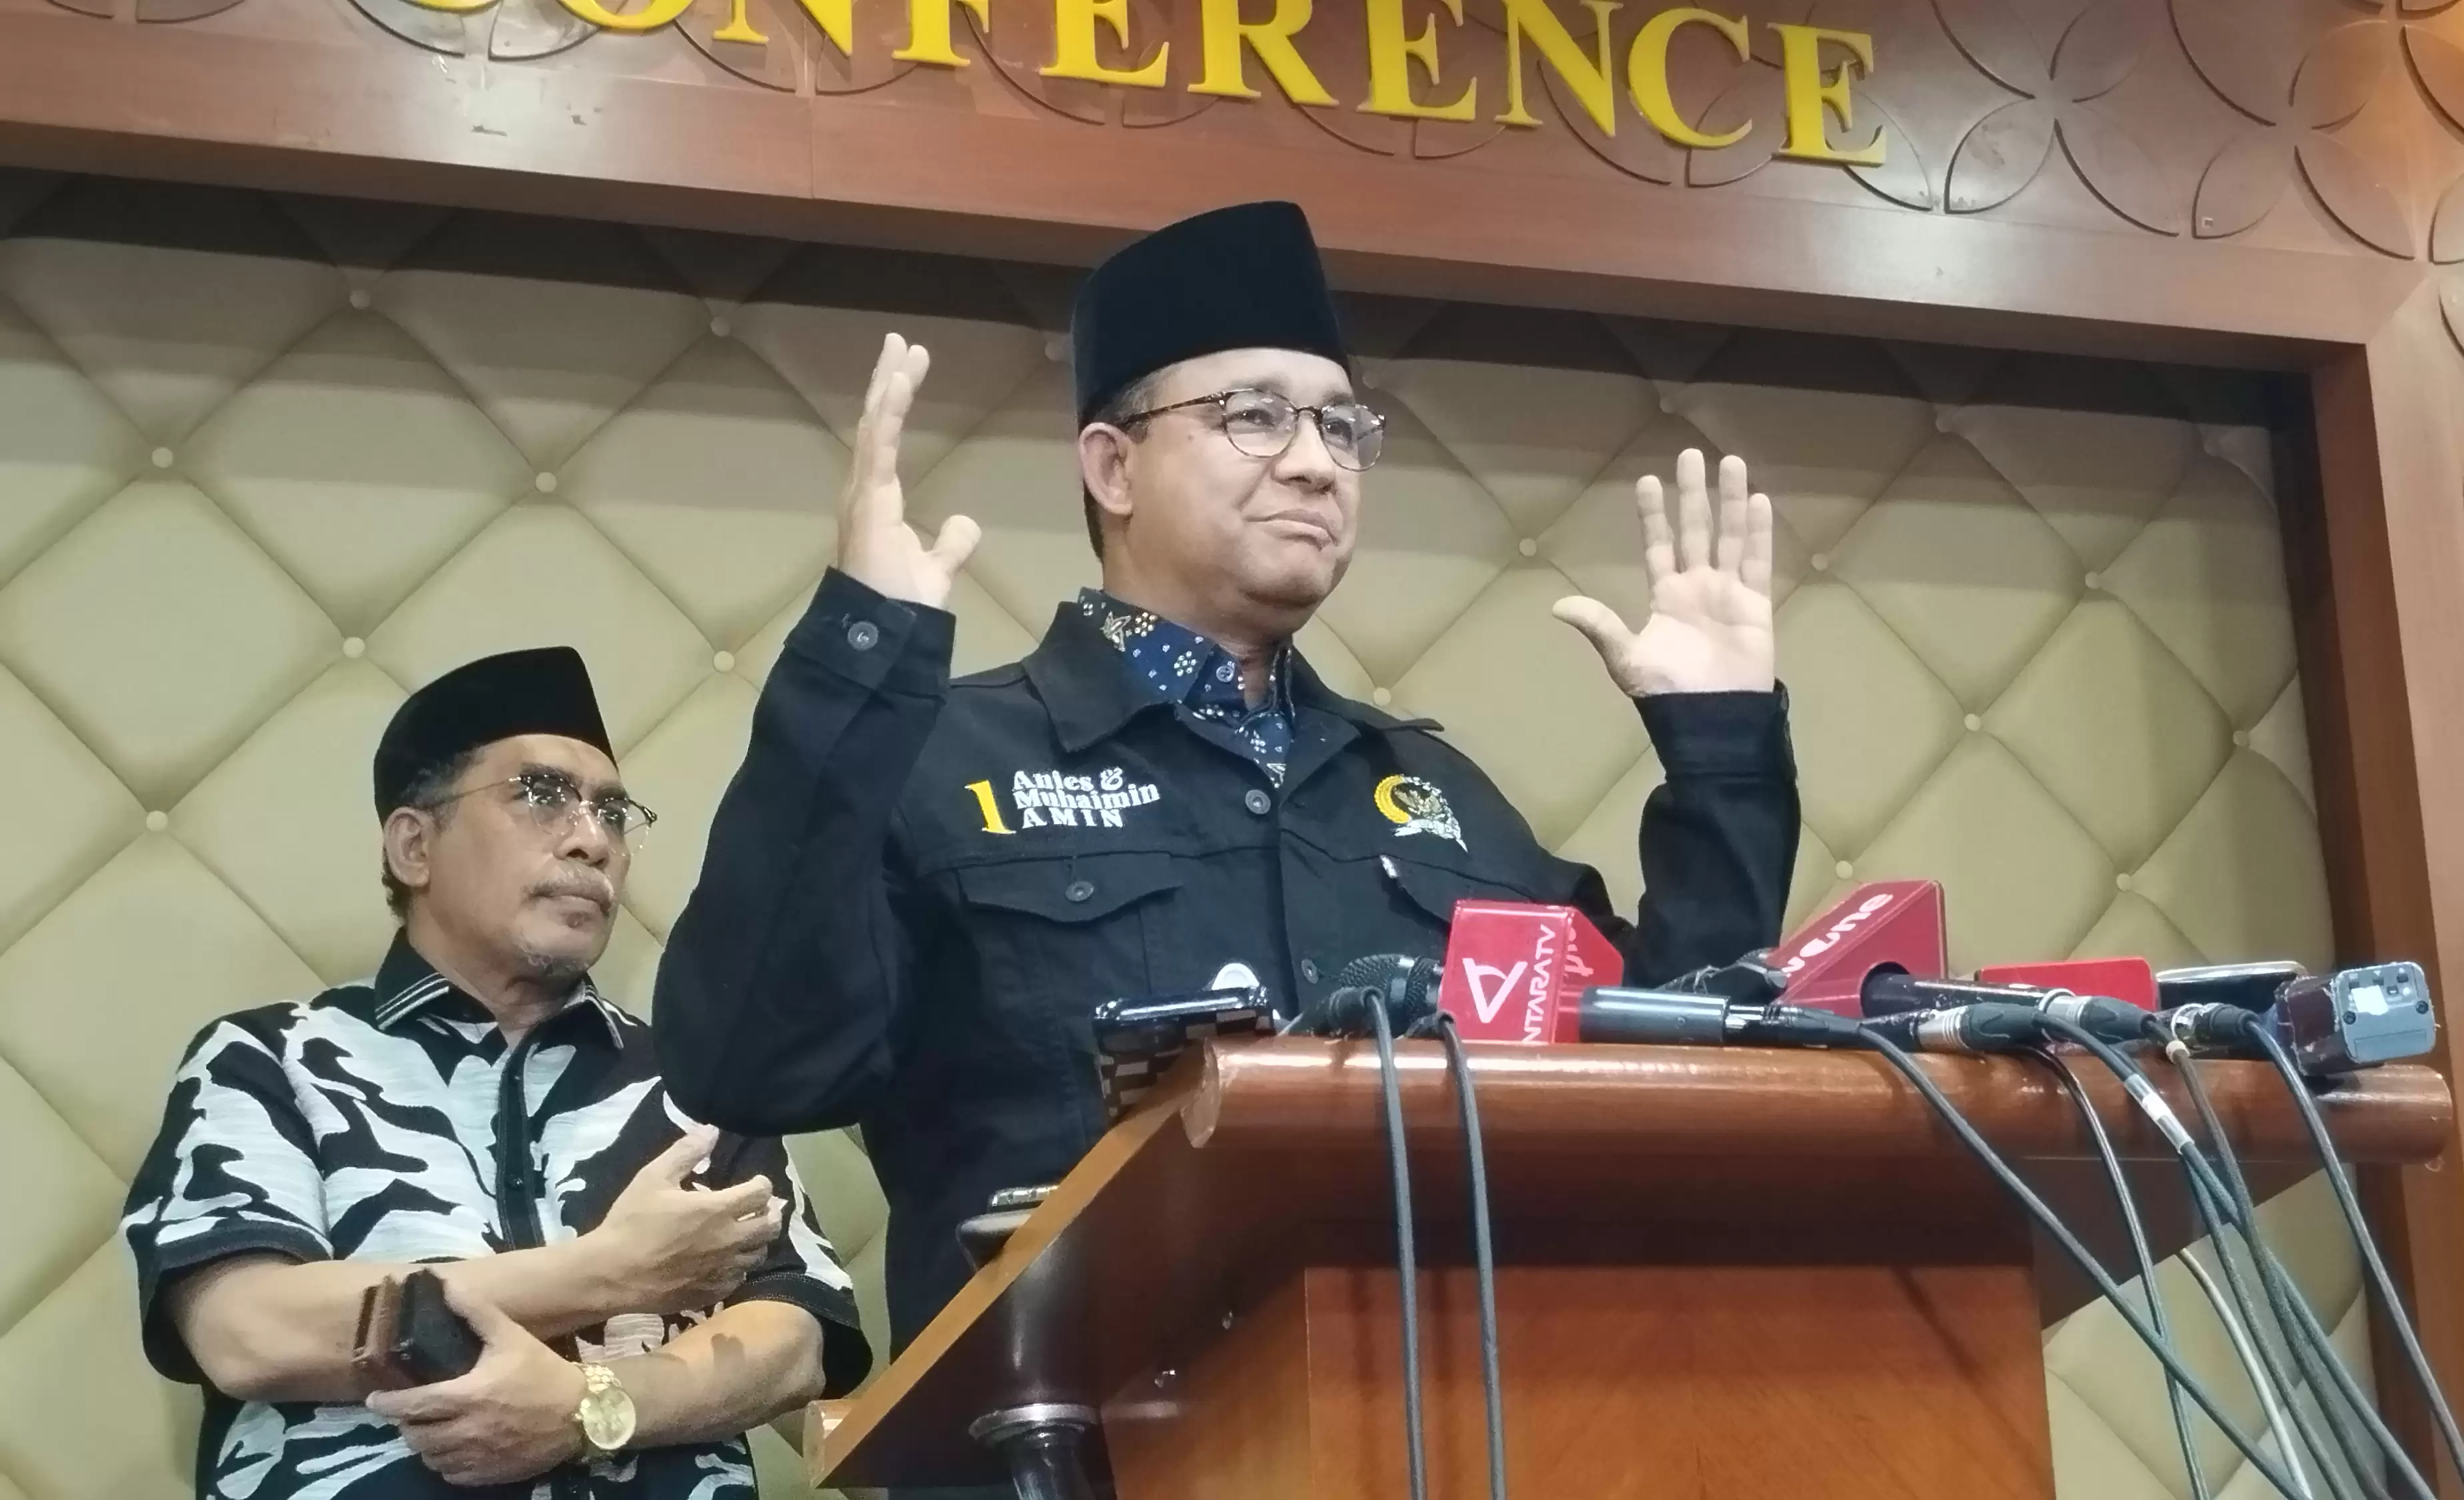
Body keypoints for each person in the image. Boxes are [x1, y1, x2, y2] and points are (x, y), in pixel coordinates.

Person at [653, 200, 1799, 1357]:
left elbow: (1664, 1080)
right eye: (1253, 416)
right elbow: (749, 1063)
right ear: (1114, 466)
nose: (1314, 463)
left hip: (1441, 1406)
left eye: (1342, 427)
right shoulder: (939, 758)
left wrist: (1722, 749)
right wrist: (860, 658)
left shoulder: (1429, 789)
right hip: (1075, 1424)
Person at [121, 647, 871, 1500]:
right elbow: (247, 1332)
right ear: (414, 845)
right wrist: (609, 1272)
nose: (593, 840)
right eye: (541, 795)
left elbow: (795, 1340)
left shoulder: (694, 1078)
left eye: (613, 812)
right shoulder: (271, 1059)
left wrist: (594, 1406)